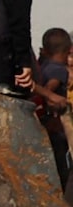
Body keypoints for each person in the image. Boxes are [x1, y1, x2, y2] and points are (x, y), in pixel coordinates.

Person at [34, 28, 71, 188]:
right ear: (68, 50)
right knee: (61, 166)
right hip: (56, 124)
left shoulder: (44, 65)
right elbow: (49, 90)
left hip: (44, 121)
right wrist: (51, 98)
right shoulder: (60, 70)